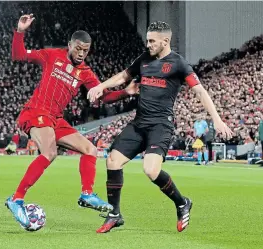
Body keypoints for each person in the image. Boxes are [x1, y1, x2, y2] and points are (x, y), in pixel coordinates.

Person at [88, 21, 233, 233]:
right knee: (112, 161)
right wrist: (100, 86)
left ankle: (182, 203)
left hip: (160, 125)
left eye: (152, 41)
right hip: (139, 123)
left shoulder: (178, 63)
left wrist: (217, 119)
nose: (148, 44)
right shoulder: (144, 59)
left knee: (150, 169)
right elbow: (123, 76)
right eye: (147, 40)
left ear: (166, 41)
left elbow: (200, 91)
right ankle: (115, 214)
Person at [5, 14, 139, 229]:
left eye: (85, 50)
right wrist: (20, 32)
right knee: (49, 153)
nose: (81, 53)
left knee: (90, 150)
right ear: (69, 45)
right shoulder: (51, 55)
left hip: (55, 119)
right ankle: (16, 198)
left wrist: (126, 92)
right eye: (78, 48)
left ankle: (86, 194)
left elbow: (101, 96)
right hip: (36, 111)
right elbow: (18, 55)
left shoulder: (85, 72)